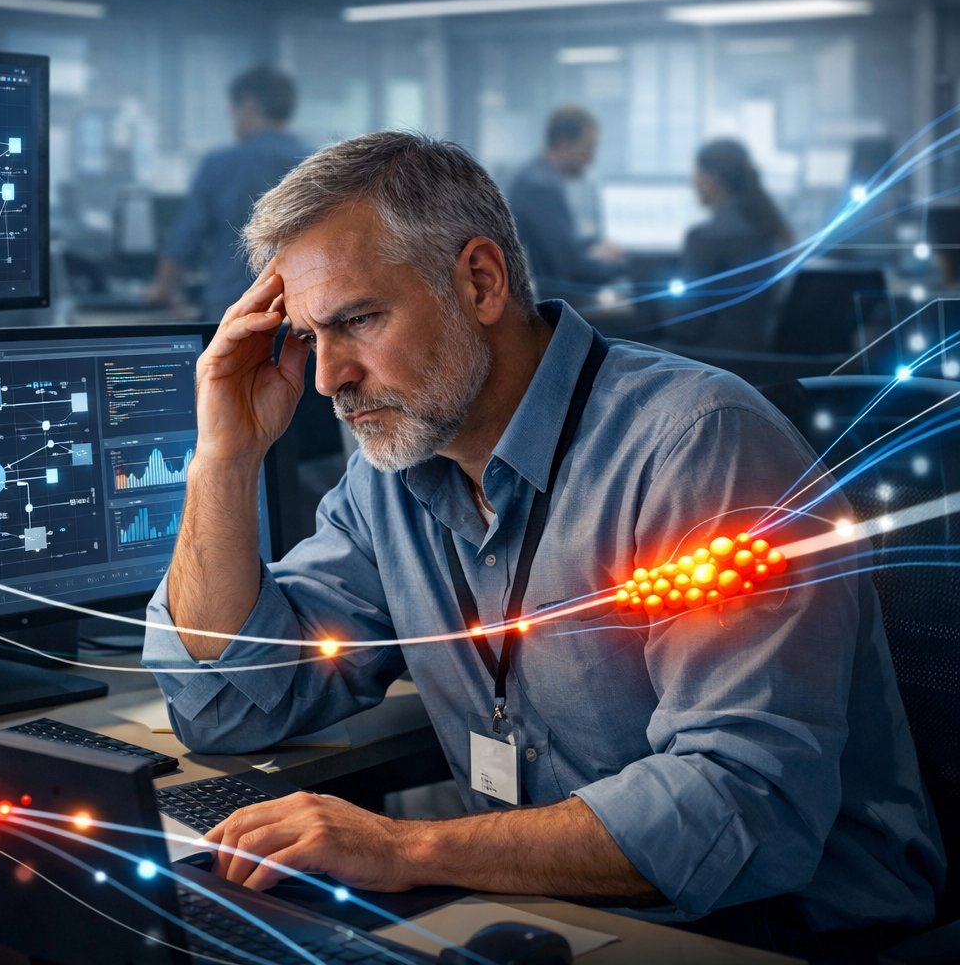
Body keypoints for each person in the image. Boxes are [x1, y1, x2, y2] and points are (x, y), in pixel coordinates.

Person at [142, 131, 943, 957]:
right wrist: (224, 461)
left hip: (782, 933)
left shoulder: (696, 448)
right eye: (310, 337)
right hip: (559, 917)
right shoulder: (394, 474)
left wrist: (403, 848)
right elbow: (230, 706)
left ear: (481, 282)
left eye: (358, 320)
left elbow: (739, 808)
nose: (327, 379)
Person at [148, 65, 309, 319]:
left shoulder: (222, 165)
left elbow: (187, 238)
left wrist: (162, 291)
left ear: (249, 105)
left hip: (234, 309)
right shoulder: (316, 163)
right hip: (303, 312)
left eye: (234, 113)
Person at [670, 139, 794, 349]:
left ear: (713, 178)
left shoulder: (704, 238)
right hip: (759, 356)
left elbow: (688, 326)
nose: (693, 182)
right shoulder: (770, 229)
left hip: (712, 362)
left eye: (697, 174)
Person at [507, 105, 625, 294]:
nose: (591, 160)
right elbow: (571, 267)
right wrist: (622, 264)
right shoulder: (540, 187)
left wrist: (594, 244)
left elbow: (562, 243)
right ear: (563, 143)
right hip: (553, 302)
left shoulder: (537, 176)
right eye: (587, 149)